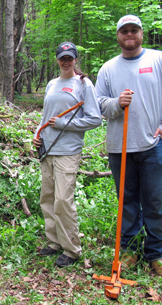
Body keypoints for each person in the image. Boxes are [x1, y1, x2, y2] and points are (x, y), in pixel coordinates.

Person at [95, 15, 162, 279]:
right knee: (127, 202)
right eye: (124, 31)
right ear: (118, 36)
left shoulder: (161, 60)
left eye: (134, 30)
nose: (129, 35)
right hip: (119, 148)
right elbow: (98, 104)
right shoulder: (108, 68)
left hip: (153, 145)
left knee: (155, 201)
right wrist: (116, 103)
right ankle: (130, 250)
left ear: (141, 33)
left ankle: (156, 254)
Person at [33, 42, 102, 267]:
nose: (66, 61)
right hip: (48, 149)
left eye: (69, 57)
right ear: (57, 59)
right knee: (48, 198)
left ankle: (71, 249)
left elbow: (95, 119)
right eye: (62, 57)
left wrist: (65, 124)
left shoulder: (83, 84)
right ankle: (54, 242)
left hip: (68, 151)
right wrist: (37, 134)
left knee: (63, 200)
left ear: (75, 59)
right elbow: (46, 115)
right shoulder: (52, 83)